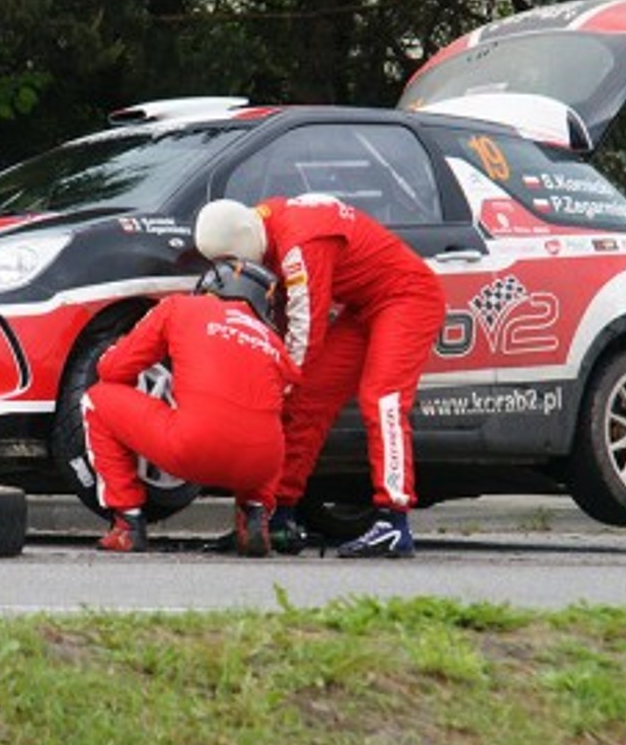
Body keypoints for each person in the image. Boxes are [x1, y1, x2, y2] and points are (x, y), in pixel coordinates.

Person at [194, 194, 445, 558]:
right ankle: (277, 516)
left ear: (243, 243)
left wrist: (278, 382)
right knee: (307, 399)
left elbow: (306, 329)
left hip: (409, 298)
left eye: (231, 260)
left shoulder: (301, 244)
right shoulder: (264, 222)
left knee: (383, 400)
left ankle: (394, 520)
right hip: (364, 305)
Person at [80, 257, 299, 555]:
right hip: (260, 466)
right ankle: (254, 517)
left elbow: (113, 370)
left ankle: (127, 525)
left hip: (193, 447)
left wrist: (112, 350)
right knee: (266, 426)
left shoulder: (180, 307)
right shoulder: (274, 343)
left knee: (97, 399)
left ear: (212, 283)